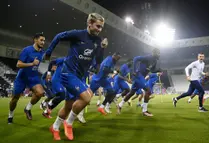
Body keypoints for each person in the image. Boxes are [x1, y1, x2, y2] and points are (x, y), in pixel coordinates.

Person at [46, 13, 107, 141]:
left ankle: (55, 127)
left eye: (101, 27)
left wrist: (101, 48)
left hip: (79, 76)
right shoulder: (78, 34)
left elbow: (98, 61)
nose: (99, 29)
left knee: (68, 105)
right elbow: (58, 36)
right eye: (97, 26)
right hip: (68, 73)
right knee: (86, 98)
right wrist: (48, 52)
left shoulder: (98, 41)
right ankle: (69, 123)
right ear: (89, 23)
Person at [8, 33, 46, 124]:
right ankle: (10, 115)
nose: (43, 42)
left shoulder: (42, 52)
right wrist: (32, 64)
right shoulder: (27, 50)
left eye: (44, 40)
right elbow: (19, 64)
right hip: (22, 77)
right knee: (15, 98)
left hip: (33, 77)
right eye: (41, 40)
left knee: (40, 93)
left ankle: (27, 108)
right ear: (35, 40)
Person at [117, 48, 161, 117]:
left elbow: (152, 70)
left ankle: (120, 105)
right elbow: (136, 58)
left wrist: (158, 70)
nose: (159, 54)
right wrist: (134, 70)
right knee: (148, 91)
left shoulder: (155, 61)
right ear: (154, 53)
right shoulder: (148, 57)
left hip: (141, 77)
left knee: (131, 93)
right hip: (138, 75)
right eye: (158, 53)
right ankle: (144, 111)